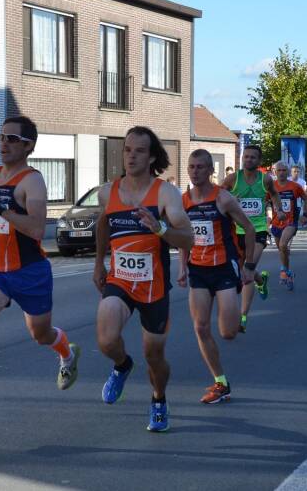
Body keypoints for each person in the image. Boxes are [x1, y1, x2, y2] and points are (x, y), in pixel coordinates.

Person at [0, 116, 79, 424]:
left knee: (40, 334)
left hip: (29, 271)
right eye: (1, 137)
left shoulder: (32, 181)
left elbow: (36, 230)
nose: (3, 143)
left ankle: (67, 354)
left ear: (28, 146)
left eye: (11, 138)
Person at [93, 126, 194, 433]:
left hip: (154, 287)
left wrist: (160, 230)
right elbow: (103, 226)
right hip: (120, 280)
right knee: (107, 339)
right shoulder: (107, 192)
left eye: (139, 151)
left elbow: (188, 238)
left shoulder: (165, 193)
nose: (131, 156)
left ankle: (159, 398)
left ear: (151, 157)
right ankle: (123, 365)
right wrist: (99, 263)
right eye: (127, 149)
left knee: (154, 356)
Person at [179, 149, 256, 404]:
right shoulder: (184, 201)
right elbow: (184, 237)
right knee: (200, 327)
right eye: (191, 167)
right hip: (198, 270)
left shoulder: (223, 199)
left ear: (211, 171)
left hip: (224, 267)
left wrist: (249, 267)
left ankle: (258, 280)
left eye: (201, 167)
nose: (195, 171)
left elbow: (249, 228)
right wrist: (182, 266)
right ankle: (220, 382)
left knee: (228, 332)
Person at [220, 145, 286, 332]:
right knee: (244, 270)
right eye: (246, 157)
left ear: (259, 161)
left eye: (252, 157)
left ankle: (243, 317)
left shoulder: (265, 179)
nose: (248, 160)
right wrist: (230, 200)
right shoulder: (234, 178)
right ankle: (260, 280)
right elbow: (218, 194)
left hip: (257, 230)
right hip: (236, 231)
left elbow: (274, 194)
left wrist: (279, 209)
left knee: (248, 268)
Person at [268, 161, 307, 290]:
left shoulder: (295, 186)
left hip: (290, 221)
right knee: (282, 250)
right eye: (278, 170)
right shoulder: (271, 187)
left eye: (284, 170)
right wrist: (266, 217)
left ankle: (283, 272)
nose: (281, 173)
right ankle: (288, 272)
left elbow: (306, 198)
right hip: (275, 222)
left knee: (283, 245)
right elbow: (264, 202)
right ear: (275, 172)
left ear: (288, 172)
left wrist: (305, 214)